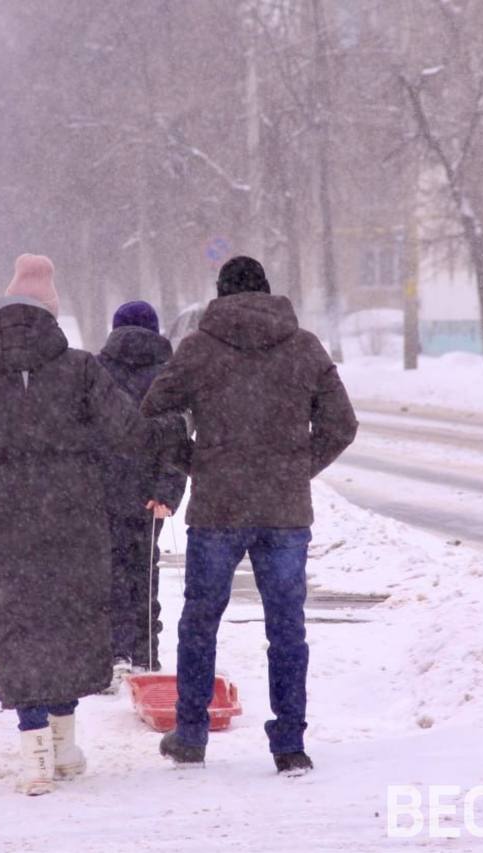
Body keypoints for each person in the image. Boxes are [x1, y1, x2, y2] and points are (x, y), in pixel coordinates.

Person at [0, 254, 184, 796]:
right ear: (51, 314)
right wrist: (173, 434)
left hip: (3, 517)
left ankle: (34, 754)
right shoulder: (80, 369)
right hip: (74, 511)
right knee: (70, 618)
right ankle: (65, 745)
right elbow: (129, 432)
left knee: (16, 622)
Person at [141, 255, 358, 776]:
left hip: (218, 505)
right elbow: (342, 424)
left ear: (220, 295)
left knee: (199, 623)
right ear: (268, 292)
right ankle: (290, 745)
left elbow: (152, 413)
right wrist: (298, 467)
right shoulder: (304, 347)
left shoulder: (198, 349)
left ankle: (191, 736)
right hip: (284, 511)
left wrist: (190, 460)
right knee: (287, 629)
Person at [96, 301, 187, 683]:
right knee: (144, 571)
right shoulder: (167, 376)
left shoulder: (96, 373)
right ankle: (146, 655)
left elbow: (87, 433)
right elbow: (176, 437)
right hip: (149, 491)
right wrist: (167, 490)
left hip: (104, 489)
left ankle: (113, 653)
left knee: (109, 571)